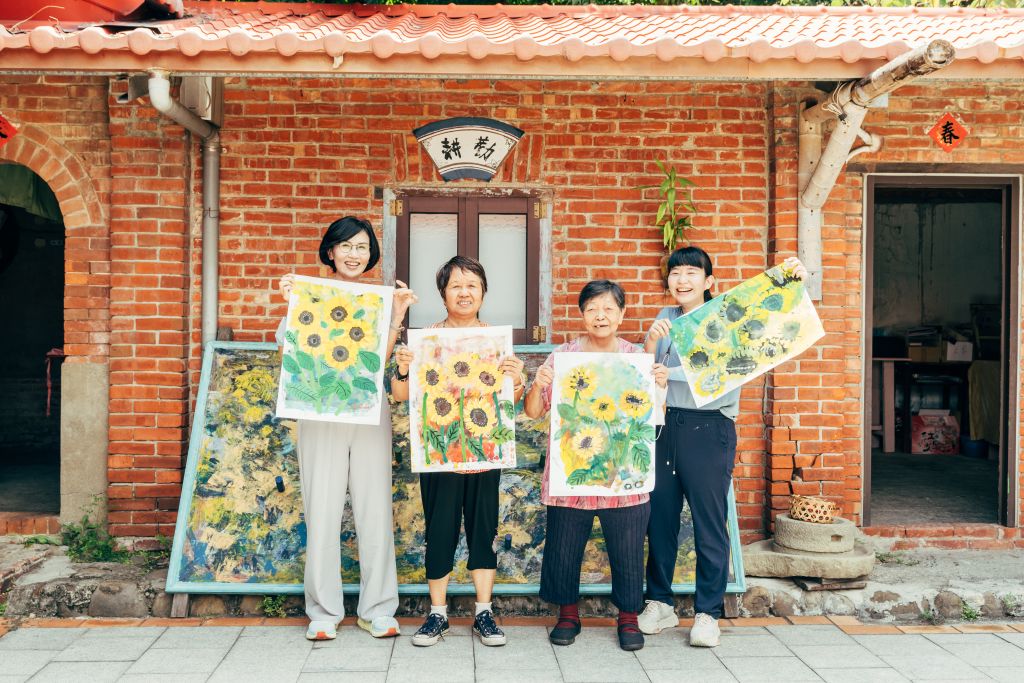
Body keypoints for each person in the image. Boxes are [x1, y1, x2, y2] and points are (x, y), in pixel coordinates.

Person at [638, 247, 806, 648]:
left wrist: (797, 277)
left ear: (709, 281)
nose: (682, 280)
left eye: (691, 273)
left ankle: (707, 613)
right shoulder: (665, 318)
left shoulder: (728, 317)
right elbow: (646, 376)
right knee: (659, 518)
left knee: (708, 522)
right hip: (664, 427)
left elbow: (724, 368)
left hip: (709, 427)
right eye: (675, 273)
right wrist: (650, 342)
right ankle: (659, 602)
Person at [276, 216, 417, 642]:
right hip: (320, 411)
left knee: (375, 508)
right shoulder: (309, 294)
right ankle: (324, 611)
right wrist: (293, 305)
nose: (354, 254)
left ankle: (378, 609)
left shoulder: (378, 300)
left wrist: (397, 316)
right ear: (331, 251)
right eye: (346, 246)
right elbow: (291, 352)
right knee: (322, 508)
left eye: (362, 247)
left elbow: (377, 363)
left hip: (369, 410)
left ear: (370, 254)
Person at [524, 279, 668, 652]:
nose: (600, 316)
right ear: (582, 315)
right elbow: (534, 412)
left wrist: (659, 388)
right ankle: (568, 614)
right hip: (573, 472)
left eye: (607, 308)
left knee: (628, 548)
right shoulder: (564, 357)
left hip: (624, 475)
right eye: (591, 309)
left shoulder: (637, 358)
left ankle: (628, 617)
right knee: (564, 545)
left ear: (621, 314)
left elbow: (655, 418)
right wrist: (538, 384)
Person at [392, 255, 526, 648]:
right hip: (440, 454)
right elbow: (400, 395)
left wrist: (517, 378)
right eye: (456, 286)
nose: (464, 293)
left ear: (483, 292)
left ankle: (484, 612)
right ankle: (437, 614)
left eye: (472, 285)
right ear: (443, 294)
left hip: (486, 452)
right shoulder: (425, 341)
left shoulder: (496, 342)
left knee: (484, 531)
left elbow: (513, 401)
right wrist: (403, 369)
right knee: (440, 531)